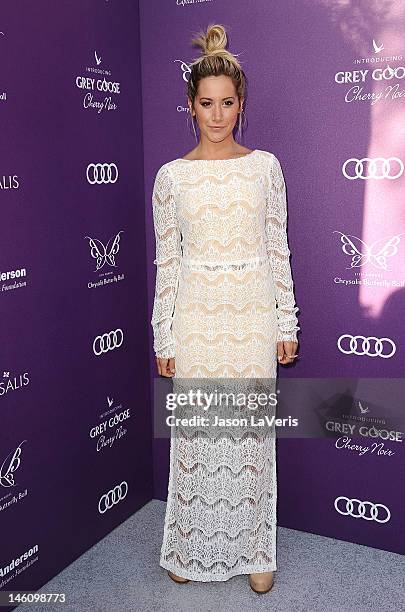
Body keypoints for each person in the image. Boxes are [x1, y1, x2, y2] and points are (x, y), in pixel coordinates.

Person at [151, 23, 299, 594]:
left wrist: (286, 322)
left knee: (248, 436)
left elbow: (276, 248)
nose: (217, 115)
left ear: (242, 105)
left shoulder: (266, 168)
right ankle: (188, 543)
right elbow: (168, 264)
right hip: (196, 318)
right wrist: (163, 337)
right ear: (191, 107)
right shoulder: (171, 178)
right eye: (207, 104)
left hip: (250, 315)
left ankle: (255, 547)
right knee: (197, 434)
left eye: (227, 104)